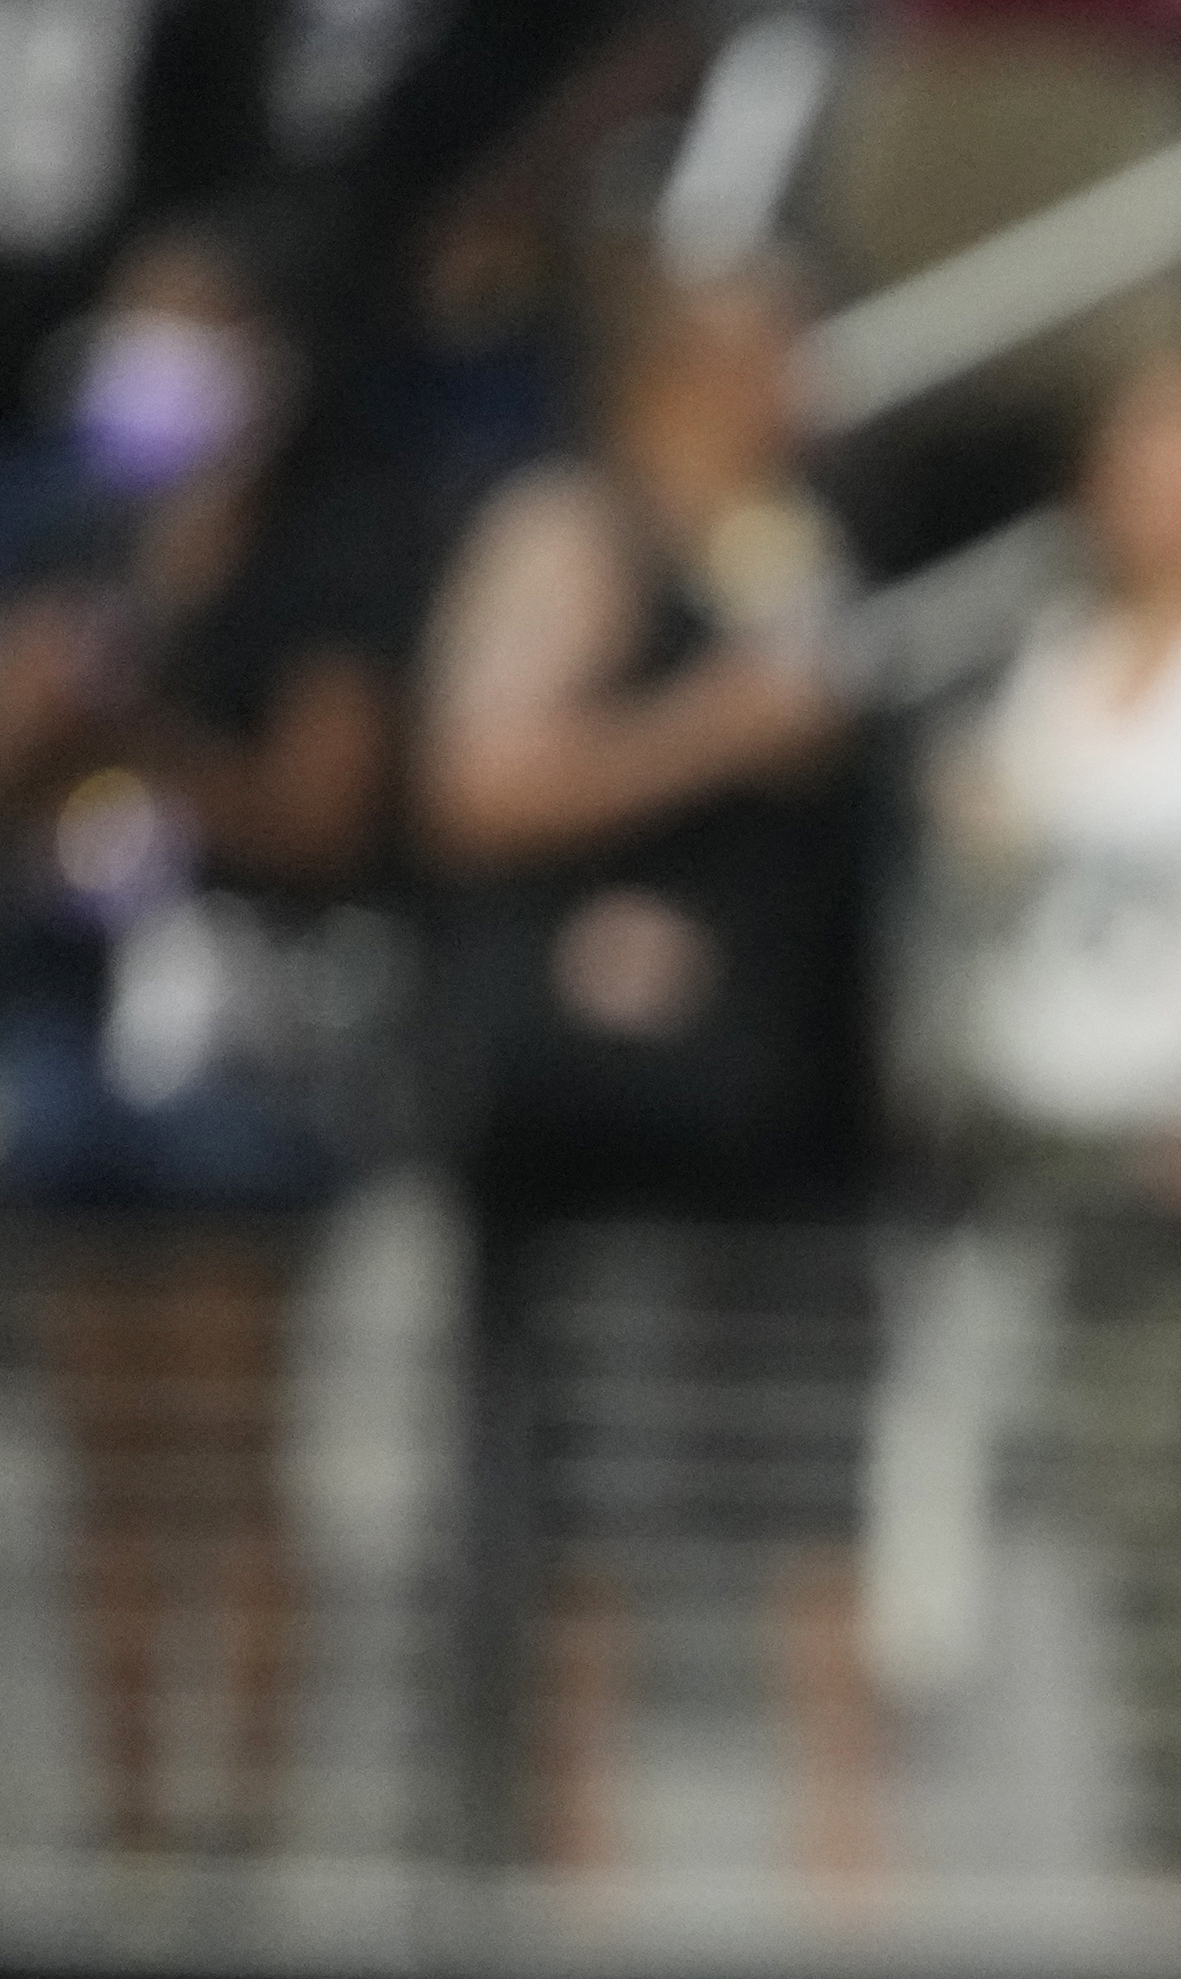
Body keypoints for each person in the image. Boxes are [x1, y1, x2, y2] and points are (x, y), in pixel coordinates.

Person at [0, 209, 424, 1864]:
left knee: (225, 1443)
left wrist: (143, 729)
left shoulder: (324, 558)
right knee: (106, 1456)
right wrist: (42, 697)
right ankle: (129, 1816)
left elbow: (320, 810)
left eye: (188, 329)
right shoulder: (64, 540)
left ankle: (243, 1821)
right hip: (75, 1032)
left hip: (243, 1048)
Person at [415, 256, 883, 1881]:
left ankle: (846, 1879)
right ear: (678, 367)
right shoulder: (574, 530)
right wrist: (711, 729)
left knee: (812, 1497)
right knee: (597, 1499)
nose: (802, 382)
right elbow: (474, 781)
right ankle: (576, 1867)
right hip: (602, 1129)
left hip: (787, 1120)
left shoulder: (790, 545)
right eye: (771, 350)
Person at [915, 344, 1181, 1857]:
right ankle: (1158, 1812)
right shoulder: (1053, 664)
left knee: (1173, 1474)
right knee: (1090, 1485)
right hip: (1047, 1122)